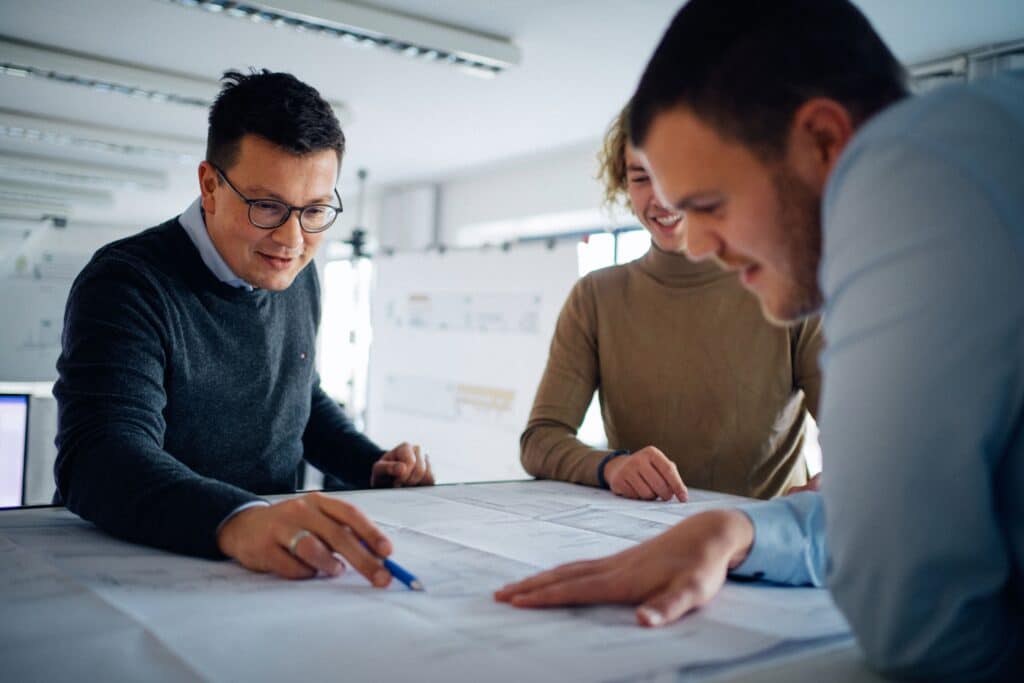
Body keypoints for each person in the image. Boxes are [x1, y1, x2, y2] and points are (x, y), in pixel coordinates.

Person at [496, 1, 1024, 679]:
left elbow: (918, 623)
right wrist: (743, 529)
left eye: (709, 205)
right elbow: (905, 518)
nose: (696, 242)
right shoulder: (973, 150)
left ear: (826, 141)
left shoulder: (915, 183)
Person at [54, 70, 433, 587]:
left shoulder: (295, 272)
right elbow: (99, 457)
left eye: (316, 210)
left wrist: (371, 465)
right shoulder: (127, 282)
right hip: (145, 561)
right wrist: (240, 518)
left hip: (272, 557)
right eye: (267, 206)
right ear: (210, 186)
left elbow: (298, 395)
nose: (292, 239)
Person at [520, 103, 824, 501]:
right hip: (644, 540)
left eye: (675, 172)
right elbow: (540, 440)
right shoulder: (595, 297)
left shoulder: (788, 284)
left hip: (761, 544)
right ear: (623, 185)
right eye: (641, 177)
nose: (661, 198)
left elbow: (857, 440)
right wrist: (612, 466)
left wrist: (831, 485)